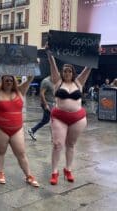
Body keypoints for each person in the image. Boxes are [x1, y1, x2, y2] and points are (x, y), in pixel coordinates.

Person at [46, 50, 92, 185]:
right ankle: (54, 172)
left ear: (73, 73)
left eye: (69, 71)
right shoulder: (57, 81)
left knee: (70, 145)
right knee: (57, 145)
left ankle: (68, 169)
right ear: (61, 72)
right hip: (59, 117)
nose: (67, 73)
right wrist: (49, 53)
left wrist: (95, 52)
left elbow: (88, 66)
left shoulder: (79, 83)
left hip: (77, 119)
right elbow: (52, 64)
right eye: (65, 71)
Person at [0, 73, 39, 187]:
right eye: (6, 80)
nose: (9, 82)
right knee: (1, 151)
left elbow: (30, 77)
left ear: (14, 81)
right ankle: (0, 173)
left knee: (21, 153)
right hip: (0, 127)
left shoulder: (20, 90)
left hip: (17, 128)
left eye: (11, 80)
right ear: (2, 80)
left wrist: (32, 65)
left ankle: (28, 175)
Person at [28, 76, 55, 141]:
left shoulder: (55, 81)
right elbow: (42, 94)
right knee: (53, 120)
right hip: (47, 104)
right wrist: (45, 105)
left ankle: (32, 130)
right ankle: (53, 138)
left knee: (46, 120)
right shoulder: (46, 81)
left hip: (52, 104)